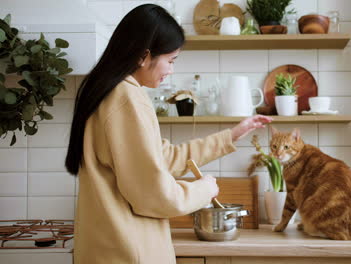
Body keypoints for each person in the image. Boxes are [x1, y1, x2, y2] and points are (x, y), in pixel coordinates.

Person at [64, 4, 272, 264]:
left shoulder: (108, 90)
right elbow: (154, 194)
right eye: (170, 60)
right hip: (128, 251)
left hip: (110, 248)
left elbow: (163, 158)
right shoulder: (127, 99)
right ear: (143, 55)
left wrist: (232, 135)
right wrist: (202, 191)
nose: (171, 70)